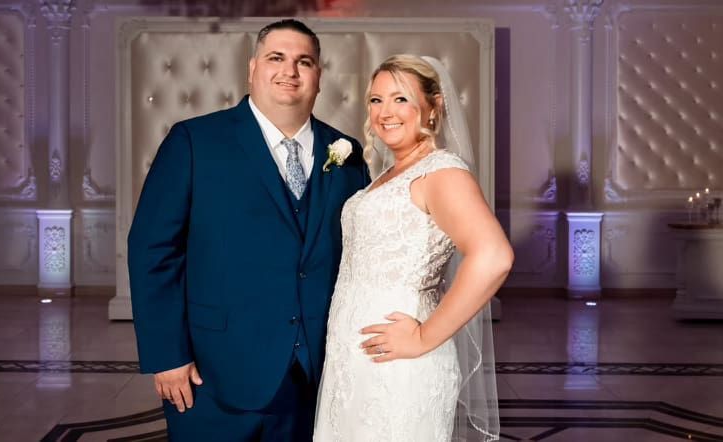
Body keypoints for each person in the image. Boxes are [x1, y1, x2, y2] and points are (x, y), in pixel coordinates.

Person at [127, 19, 370, 441]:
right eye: (276, 58)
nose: (289, 71)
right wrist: (167, 355)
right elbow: (152, 251)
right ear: (253, 68)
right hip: (212, 371)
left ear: (319, 76)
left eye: (304, 61)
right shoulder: (194, 142)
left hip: (317, 374)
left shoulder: (347, 153)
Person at [313, 54, 514, 441]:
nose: (385, 112)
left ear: (433, 106)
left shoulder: (442, 172)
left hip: (400, 361)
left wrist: (424, 337)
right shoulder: (390, 173)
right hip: (354, 358)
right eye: (376, 100)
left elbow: (494, 257)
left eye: (400, 99)